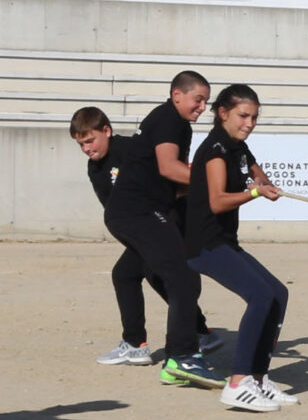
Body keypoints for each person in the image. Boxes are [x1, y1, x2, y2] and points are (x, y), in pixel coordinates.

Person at [70, 106, 221, 366]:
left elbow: (169, 179)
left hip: (165, 220)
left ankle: (151, 343)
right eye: (81, 144)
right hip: (142, 225)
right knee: (128, 274)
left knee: (153, 275)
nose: (87, 148)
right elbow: (114, 206)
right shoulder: (94, 168)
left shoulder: (132, 150)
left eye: (90, 140)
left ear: (107, 130)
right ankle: (190, 334)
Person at [185, 83, 294, 414]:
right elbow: (217, 202)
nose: (249, 123)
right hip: (204, 245)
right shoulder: (215, 150)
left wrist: (263, 183)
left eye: (255, 117)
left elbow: (256, 174)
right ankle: (236, 383)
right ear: (223, 114)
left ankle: (257, 378)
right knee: (260, 296)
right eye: (243, 116)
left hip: (224, 242)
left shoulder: (238, 148)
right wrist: (256, 193)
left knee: (277, 293)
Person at [134, 70, 220, 390]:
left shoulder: (179, 123)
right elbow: (169, 168)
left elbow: (176, 182)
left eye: (206, 102)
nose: (202, 107)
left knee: (136, 272)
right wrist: (212, 177)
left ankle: (182, 340)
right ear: (177, 95)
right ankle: (180, 355)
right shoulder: (169, 119)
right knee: (183, 277)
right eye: (198, 100)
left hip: (152, 209)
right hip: (142, 211)